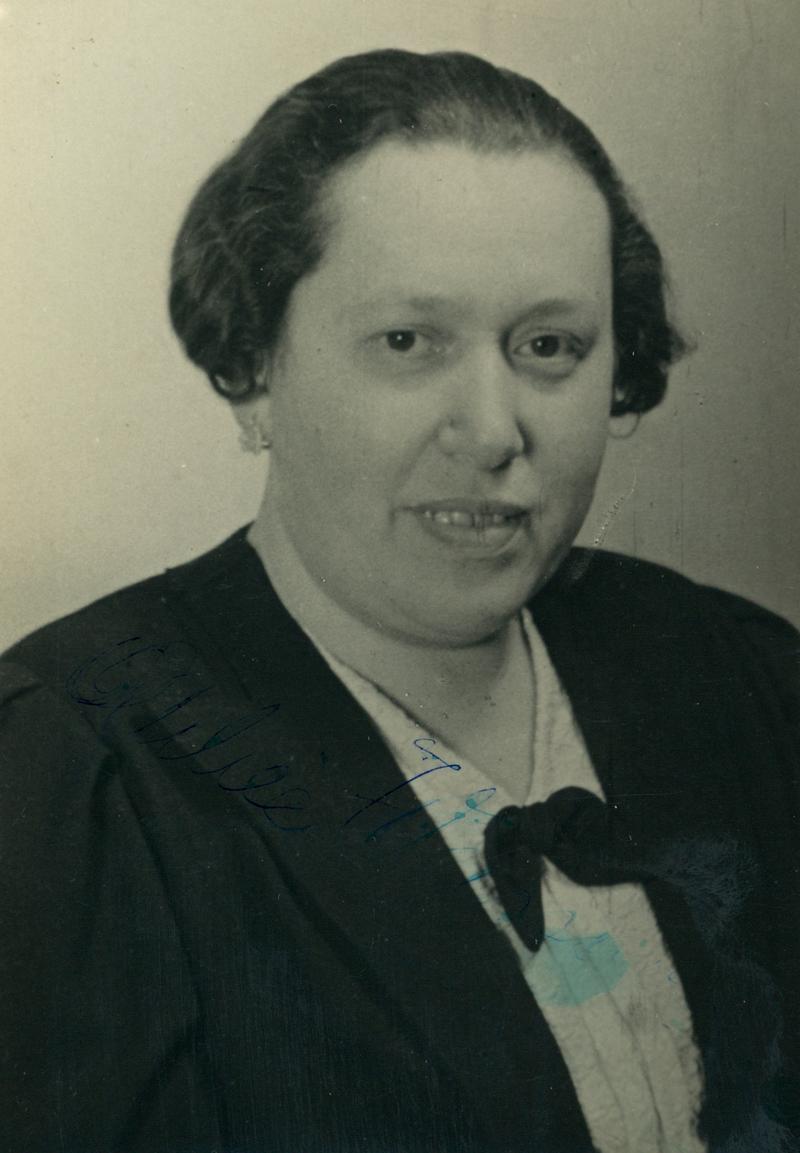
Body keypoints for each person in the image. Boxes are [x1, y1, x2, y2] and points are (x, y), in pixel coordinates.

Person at [1, 48, 798, 1153]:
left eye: (549, 346)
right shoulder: (76, 773)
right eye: (407, 343)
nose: (492, 431)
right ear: (255, 368)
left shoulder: (735, 674)